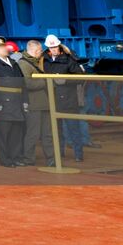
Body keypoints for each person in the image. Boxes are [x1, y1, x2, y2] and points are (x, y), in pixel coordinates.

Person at [42, 34, 87, 162]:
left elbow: (80, 77)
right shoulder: (44, 60)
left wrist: (65, 80)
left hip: (68, 100)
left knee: (73, 129)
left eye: (55, 47)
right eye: (51, 47)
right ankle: (60, 153)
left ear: (59, 46)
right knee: (57, 131)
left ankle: (78, 154)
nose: (54, 49)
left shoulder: (68, 59)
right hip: (53, 100)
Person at [0, 35, 27, 167]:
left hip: (17, 102)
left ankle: (15, 157)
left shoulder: (14, 63)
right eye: (1, 47)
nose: (4, 48)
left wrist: (25, 101)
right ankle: (5, 159)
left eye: (4, 46)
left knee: (16, 132)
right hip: (3, 103)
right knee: (4, 134)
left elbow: (22, 83)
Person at [18, 39, 52, 165]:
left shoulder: (33, 63)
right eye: (39, 51)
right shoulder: (24, 64)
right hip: (34, 104)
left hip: (42, 103)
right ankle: (29, 158)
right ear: (36, 50)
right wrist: (46, 81)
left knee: (47, 134)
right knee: (33, 133)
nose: (41, 53)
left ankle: (51, 158)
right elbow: (28, 83)